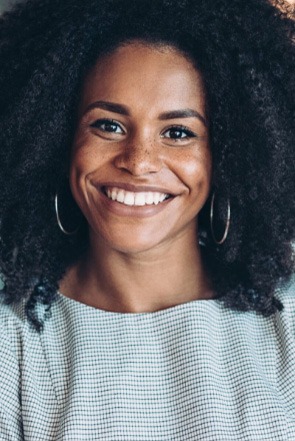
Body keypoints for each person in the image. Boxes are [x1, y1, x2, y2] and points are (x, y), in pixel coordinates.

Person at [0, 0, 294, 439]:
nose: (138, 162)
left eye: (178, 133)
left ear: (232, 154)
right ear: (57, 137)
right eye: (108, 125)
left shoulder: (286, 312)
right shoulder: (12, 330)